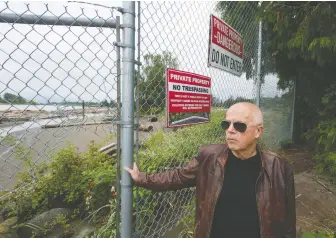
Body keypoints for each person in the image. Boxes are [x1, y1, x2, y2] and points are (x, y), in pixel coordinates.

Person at [125, 102, 296, 238]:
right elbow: (177, 177)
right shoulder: (209, 157)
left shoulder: (280, 169)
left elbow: (288, 224)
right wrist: (142, 178)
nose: (230, 130)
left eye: (239, 126)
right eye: (226, 124)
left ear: (258, 131)